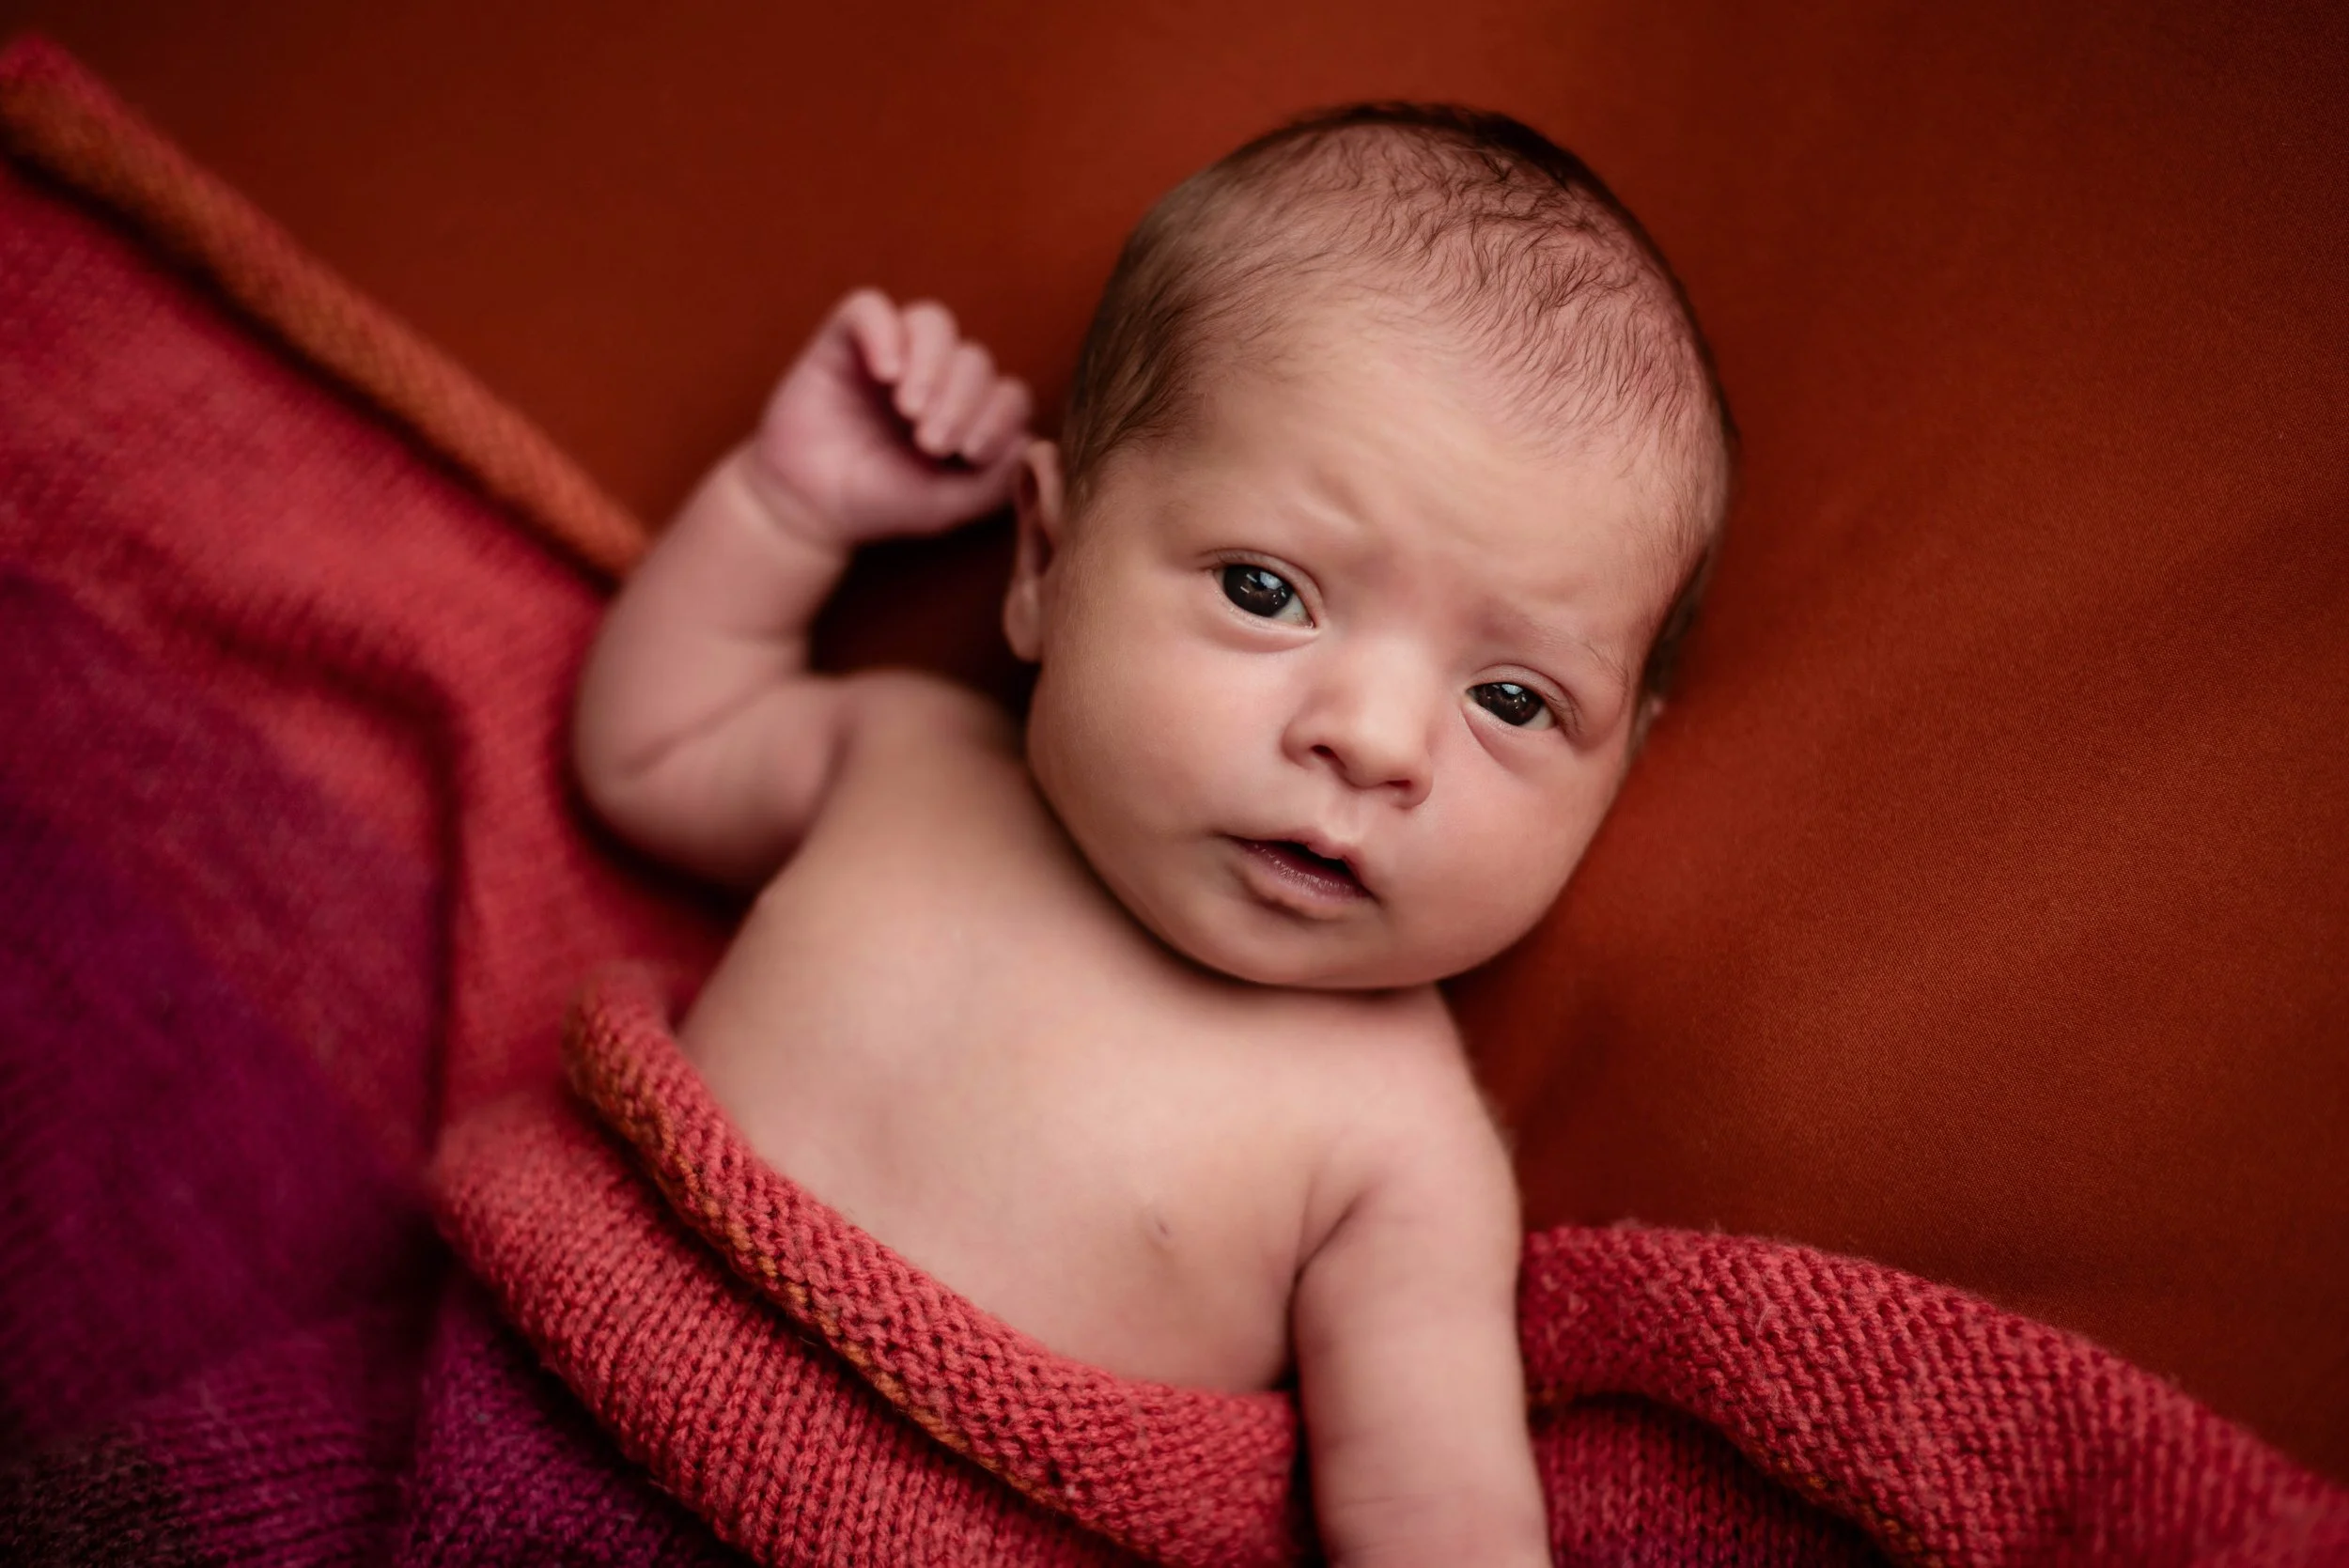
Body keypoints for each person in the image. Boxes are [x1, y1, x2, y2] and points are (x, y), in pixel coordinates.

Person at [573, 102, 1733, 1565]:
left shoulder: (1398, 1147)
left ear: (1621, 764)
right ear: (1047, 562)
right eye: (1265, 590)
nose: (1371, 742)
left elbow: (1434, 1512)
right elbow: (645, 750)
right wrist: (786, 504)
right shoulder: (907, 762)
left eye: (1512, 696)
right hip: (544, 1376)